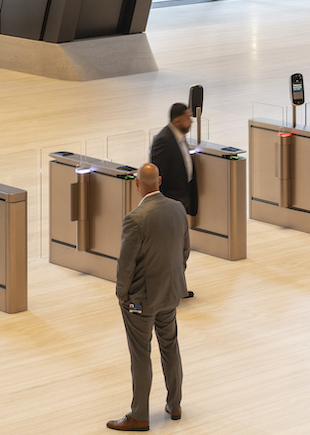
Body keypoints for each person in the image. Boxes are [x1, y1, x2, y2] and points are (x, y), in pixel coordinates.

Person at [108, 162, 187, 431]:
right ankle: (174, 404)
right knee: (170, 346)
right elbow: (184, 251)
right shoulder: (178, 209)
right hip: (170, 294)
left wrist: (121, 294)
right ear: (160, 181)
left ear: (137, 184)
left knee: (141, 354)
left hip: (140, 299)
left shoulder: (135, 218)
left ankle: (139, 415)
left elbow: (126, 264)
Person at [146, 103, 196, 299]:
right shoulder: (163, 141)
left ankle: (177, 287)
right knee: (170, 250)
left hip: (182, 202)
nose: (190, 121)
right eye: (187, 117)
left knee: (180, 249)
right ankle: (168, 290)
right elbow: (159, 177)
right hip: (171, 204)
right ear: (176, 120)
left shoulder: (179, 137)